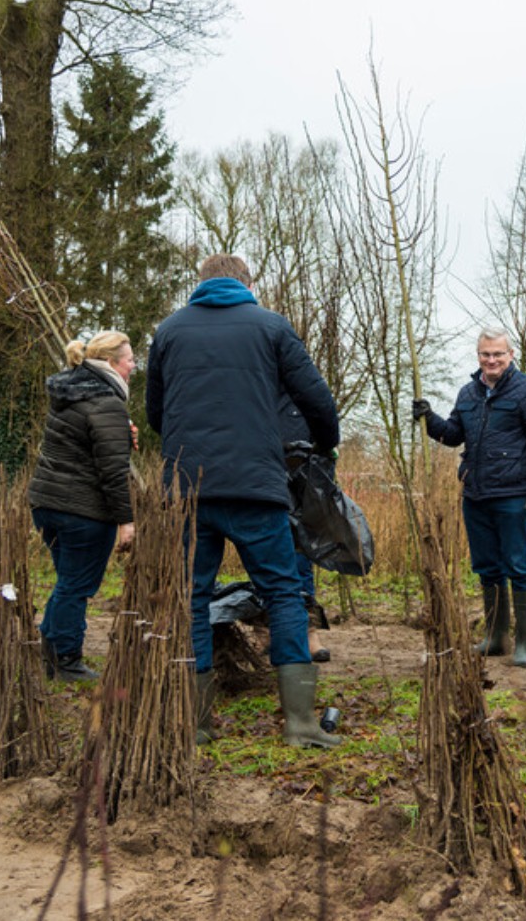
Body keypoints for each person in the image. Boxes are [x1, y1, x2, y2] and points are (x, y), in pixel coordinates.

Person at [147, 253, 341, 748]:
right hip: (256, 486)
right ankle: (299, 724)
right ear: (248, 283)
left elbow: (154, 412)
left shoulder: (168, 331)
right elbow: (317, 400)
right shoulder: (272, 327)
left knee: (191, 598)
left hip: (188, 490)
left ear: (201, 283)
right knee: (282, 592)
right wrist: (322, 443)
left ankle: (195, 725)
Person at [412, 328, 526, 668]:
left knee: (518, 566)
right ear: (478, 357)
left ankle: (524, 643)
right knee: (487, 567)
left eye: (498, 354)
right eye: (485, 355)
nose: (491, 360)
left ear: (510, 355)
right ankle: (496, 638)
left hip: (513, 494)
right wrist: (429, 419)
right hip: (475, 494)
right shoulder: (468, 393)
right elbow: (453, 435)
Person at [28, 330, 136, 683]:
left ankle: (49, 647)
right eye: (130, 359)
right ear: (110, 363)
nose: (134, 365)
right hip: (82, 510)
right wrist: (126, 521)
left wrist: (123, 435)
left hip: (46, 503)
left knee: (67, 582)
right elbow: (113, 472)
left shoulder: (69, 392)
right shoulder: (107, 402)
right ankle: (66, 660)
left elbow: (84, 446)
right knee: (77, 585)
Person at [279, 393, 331, 663]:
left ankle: (309, 631)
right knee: (262, 557)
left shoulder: (303, 391)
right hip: (261, 480)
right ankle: (268, 631)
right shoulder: (255, 383)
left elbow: (327, 436)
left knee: (301, 557)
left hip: (300, 486)